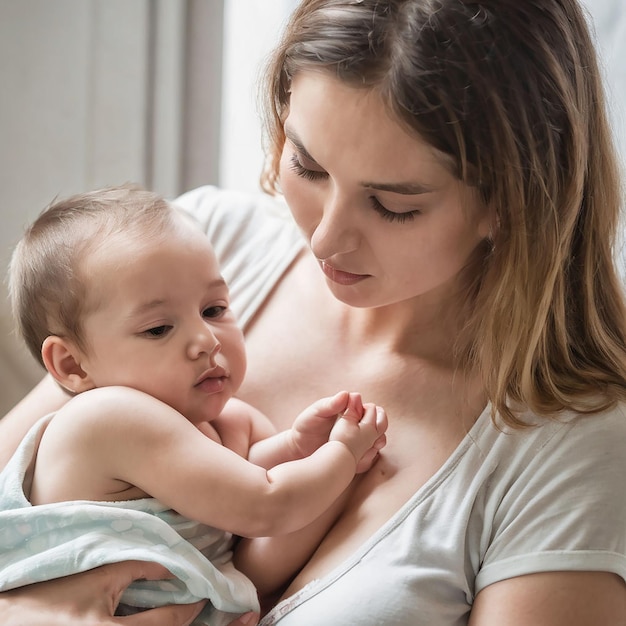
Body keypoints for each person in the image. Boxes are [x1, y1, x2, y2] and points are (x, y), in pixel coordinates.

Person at [1, 0, 626, 623]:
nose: (325, 239)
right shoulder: (189, 254)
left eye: (391, 205)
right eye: (307, 165)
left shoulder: (576, 445)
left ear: (512, 200)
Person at [0, 185, 387, 626]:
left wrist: (299, 448)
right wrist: (340, 456)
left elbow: (237, 491)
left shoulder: (223, 421)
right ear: (72, 364)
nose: (207, 340)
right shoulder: (106, 418)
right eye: (159, 328)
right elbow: (264, 504)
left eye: (214, 308)